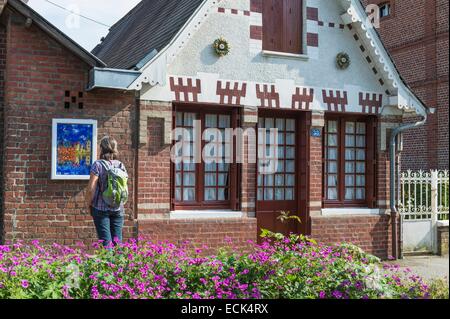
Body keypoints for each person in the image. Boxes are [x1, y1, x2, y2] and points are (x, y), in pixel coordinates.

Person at [86, 136, 127, 248]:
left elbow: (91, 189)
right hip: (118, 208)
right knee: (118, 243)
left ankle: (108, 265)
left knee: (106, 243)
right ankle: (119, 265)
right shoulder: (120, 165)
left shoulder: (98, 165)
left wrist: (89, 204)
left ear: (101, 148)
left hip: (100, 209)